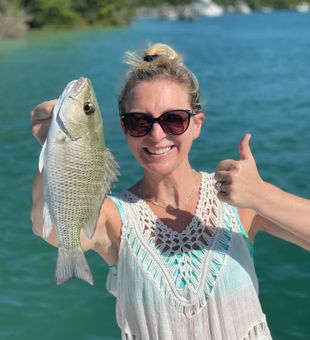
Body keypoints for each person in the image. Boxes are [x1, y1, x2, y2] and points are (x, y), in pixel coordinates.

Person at [30, 43, 310, 340]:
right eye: (140, 122)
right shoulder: (115, 217)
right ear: (124, 129)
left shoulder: (241, 200)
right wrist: (52, 150)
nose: (157, 134)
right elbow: (52, 232)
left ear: (196, 125)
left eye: (173, 119)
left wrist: (261, 196)